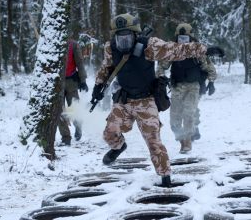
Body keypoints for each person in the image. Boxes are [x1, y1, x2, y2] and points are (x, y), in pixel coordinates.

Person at [91, 14, 219, 187]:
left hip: (146, 101)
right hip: (124, 99)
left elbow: (176, 50)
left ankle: (165, 177)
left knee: (154, 143)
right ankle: (118, 147)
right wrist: (98, 86)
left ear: (135, 34)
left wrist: (204, 49)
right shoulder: (110, 48)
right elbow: (106, 67)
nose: (123, 41)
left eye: (127, 36)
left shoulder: (149, 46)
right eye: (119, 37)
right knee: (109, 132)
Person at [157, 23, 221, 153]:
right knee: (174, 118)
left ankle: (187, 141)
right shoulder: (173, 51)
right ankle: (181, 136)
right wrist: (161, 78)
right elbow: (161, 66)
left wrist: (212, 82)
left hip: (193, 87)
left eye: (186, 39)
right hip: (177, 86)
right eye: (181, 39)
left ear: (191, 38)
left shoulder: (197, 51)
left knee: (189, 112)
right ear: (177, 38)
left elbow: (209, 67)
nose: (183, 42)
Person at [57, 39, 88, 146]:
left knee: (73, 107)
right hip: (57, 82)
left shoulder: (73, 45)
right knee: (58, 109)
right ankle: (66, 137)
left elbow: (80, 62)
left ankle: (78, 126)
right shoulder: (52, 44)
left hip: (71, 81)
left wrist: (83, 81)